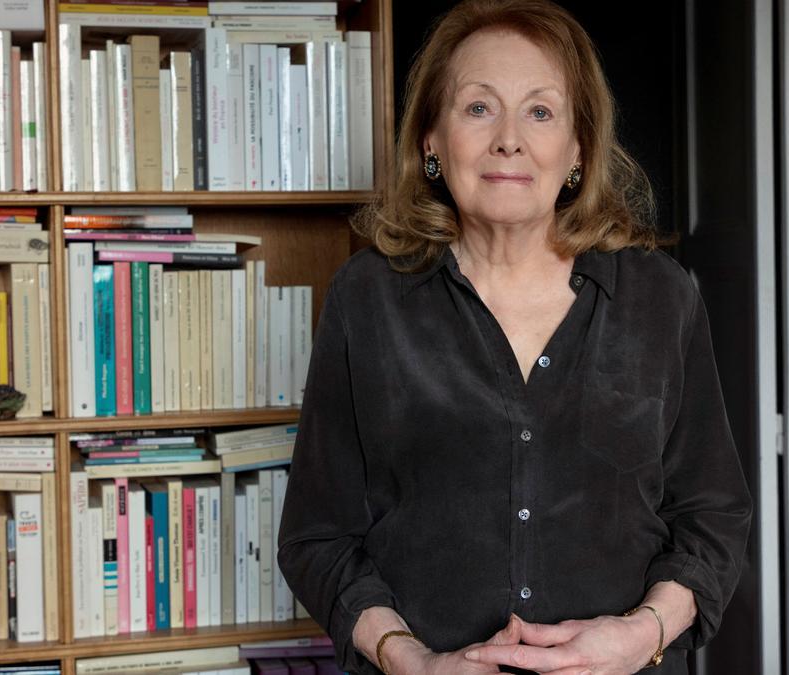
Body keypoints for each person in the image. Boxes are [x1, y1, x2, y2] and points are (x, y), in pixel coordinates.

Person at [277, 1, 752, 673]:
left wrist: (641, 635)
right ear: (431, 141)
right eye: (478, 108)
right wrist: (410, 659)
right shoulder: (367, 298)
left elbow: (713, 517)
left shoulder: (661, 297)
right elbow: (317, 537)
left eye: (540, 111)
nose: (508, 139)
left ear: (579, 146)